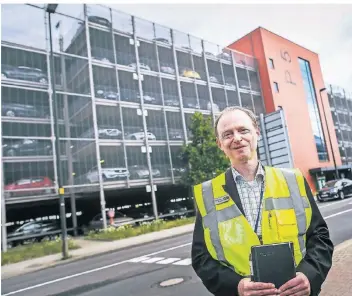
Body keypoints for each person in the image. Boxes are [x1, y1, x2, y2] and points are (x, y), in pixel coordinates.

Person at [191, 106, 334, 296]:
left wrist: (310, 275)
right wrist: (236, 287)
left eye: (243, 130)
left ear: (256, 132)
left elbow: (320, 237)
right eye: (227, 134)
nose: (237, 138)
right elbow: (201, 258)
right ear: (219, 143)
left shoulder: (293, 180)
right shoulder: (207, 194)